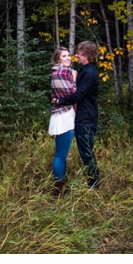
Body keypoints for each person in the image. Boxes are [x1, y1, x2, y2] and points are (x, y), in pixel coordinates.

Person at [52, 41, 101, 189]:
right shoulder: (85, 70)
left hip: (86, 118)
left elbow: (79, 94)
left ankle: (94, 185)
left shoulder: (89, 72)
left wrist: (60, 100)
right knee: (85, 152)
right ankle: (93, 182)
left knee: (86, 153)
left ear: (85, 54)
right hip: (82, 116)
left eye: (78, 53)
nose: (76, 56)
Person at [49, 47, 77, 196]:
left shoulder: (55, 72)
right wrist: (75, 77)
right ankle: (58, 189)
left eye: (69, 55)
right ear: (58, 59)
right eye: (64, 56)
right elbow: (73, 93)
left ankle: (60, 184)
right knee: (61, 155)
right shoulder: (64, 72)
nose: (68, 58)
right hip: (64, 116)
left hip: (61, 114)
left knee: (61, 154)